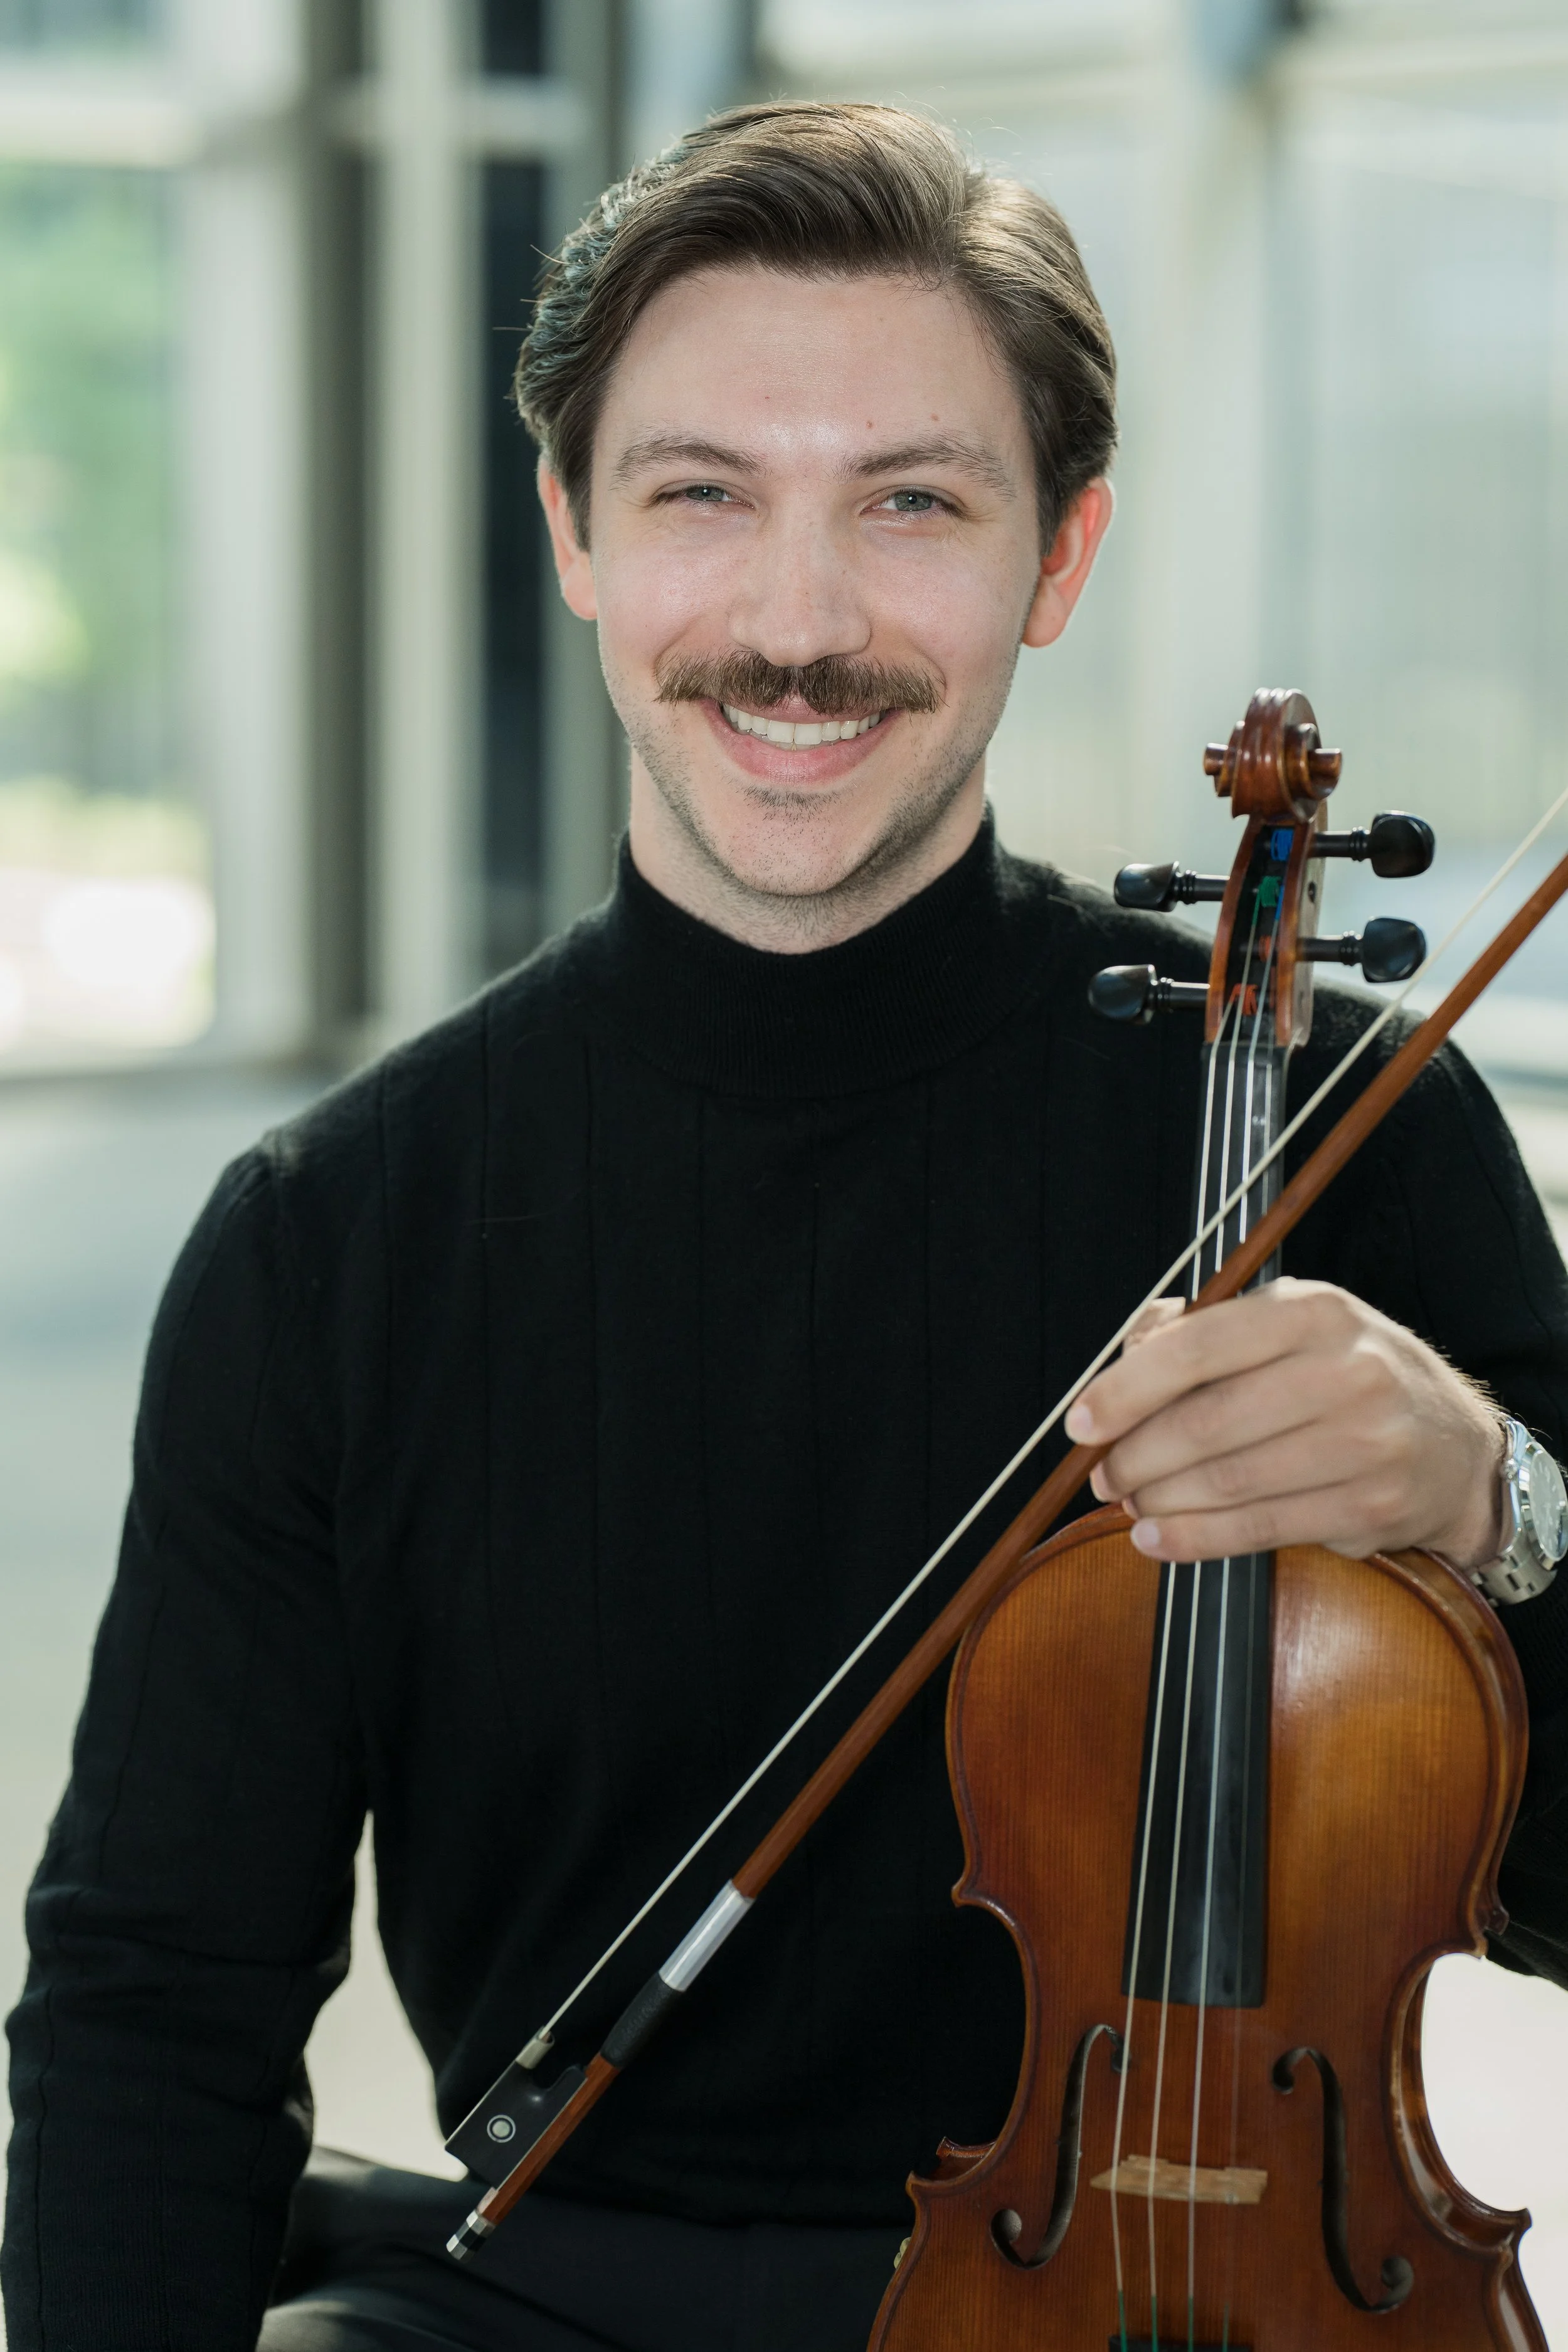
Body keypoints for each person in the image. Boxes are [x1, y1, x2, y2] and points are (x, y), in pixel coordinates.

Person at [6, 101, 1568, 2352]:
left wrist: (1493, 1503)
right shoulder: (329, 1238)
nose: (799, 624)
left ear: (1059, 554)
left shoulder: (1339, 1137)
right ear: (567, 532)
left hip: (1213, 2298)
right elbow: (154, 2000)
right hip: (564, 2306)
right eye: (702, 495)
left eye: (911, 502)